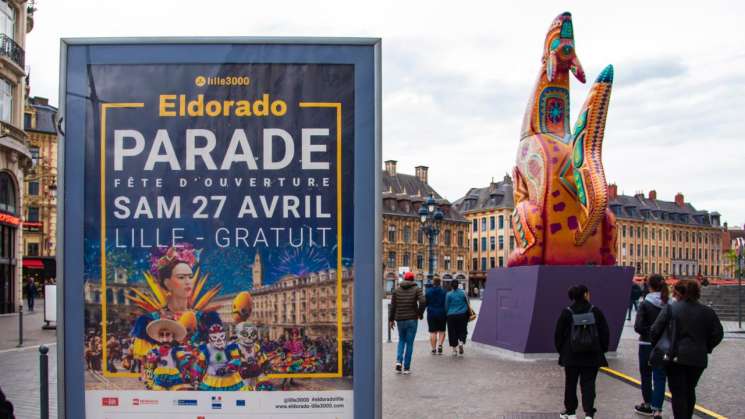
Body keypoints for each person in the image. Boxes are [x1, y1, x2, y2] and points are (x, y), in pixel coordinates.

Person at [650, 279, 723, 419]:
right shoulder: (707, 312)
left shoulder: (672, 308)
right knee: (690, 389)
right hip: (697, 359)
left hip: (675, 357)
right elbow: (718, 334)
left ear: (680, 292)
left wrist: (660, 345)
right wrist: (706, 347)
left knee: (678, 392)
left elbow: (655, 330)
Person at [554, 284, 610, 419]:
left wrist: (562, 350)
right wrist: (602, 349)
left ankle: (570, 412)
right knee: (589, 384)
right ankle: (589, 413)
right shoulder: (595, 311)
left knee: (570, 383)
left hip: (571, 355)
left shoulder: (567, 312)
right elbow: (605, 332)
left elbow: (558, 334)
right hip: (592, 354)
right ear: (585, 294)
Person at [633, 274, 669, 418]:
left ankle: (647, 404)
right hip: (663, 345)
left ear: (649, 286)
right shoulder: (669, 303)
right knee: (660, 376)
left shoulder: (645, 303)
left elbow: (638, 327)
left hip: (646, 344)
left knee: (646, 375)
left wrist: (649, 332)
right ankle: (657, 409)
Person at [388, 271, 425, 374]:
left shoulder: (396, 290)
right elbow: (423, 301)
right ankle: (407, 368)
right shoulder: (417, 289)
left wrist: (391, 320)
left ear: (404, 279)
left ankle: (398, 362)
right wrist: (420, 313)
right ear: (413, 279)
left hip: (400, 319)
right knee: (409, 343)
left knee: (401, 340)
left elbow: (393, 306)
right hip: (412, 319)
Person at [445, 279, 469, 356]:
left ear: (451, 286)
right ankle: (461, 342)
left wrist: (447, 313)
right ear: (458, 285)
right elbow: (468, 303)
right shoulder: (463, 293)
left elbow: (446, 306)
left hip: (451, 315)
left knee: (452, 332)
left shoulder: (448, 294)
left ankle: (454, 350)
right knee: (462, 330)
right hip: (462, 314)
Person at [425, 278, 447, 355]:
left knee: (432, 332)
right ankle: (440, 345)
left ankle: (434, 349)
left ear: (433, 283)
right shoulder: (444, 291)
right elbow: (446, 303)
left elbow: (425, 303)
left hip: (431, 313)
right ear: (440, 283)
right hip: (442, 313)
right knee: (442, 330)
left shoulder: (428, 292)